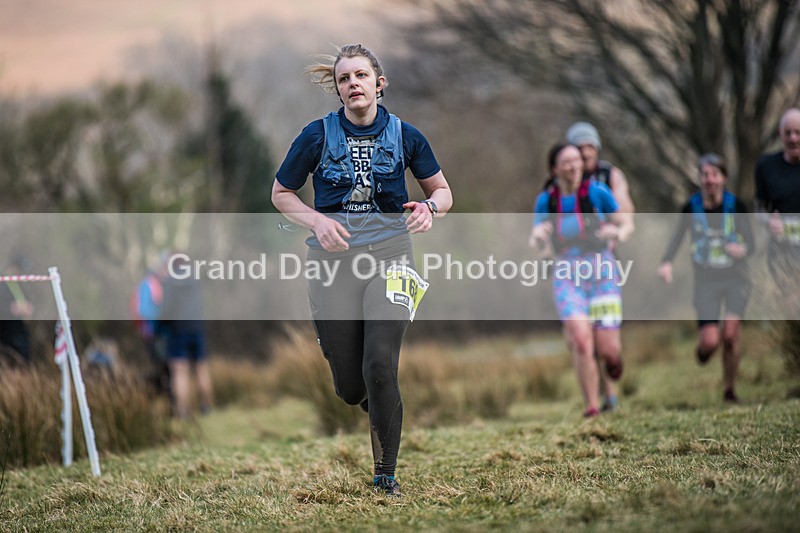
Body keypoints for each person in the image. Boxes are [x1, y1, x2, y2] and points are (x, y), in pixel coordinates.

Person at [271, 44, 452, 497]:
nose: (353, 83)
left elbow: (443, 192)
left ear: (379, 83)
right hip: (332, 264)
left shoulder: (408, 136)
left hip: (392, 255)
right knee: (350, 389)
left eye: (360, 75)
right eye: (344, 78)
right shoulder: (315, 136)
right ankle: (380, 405)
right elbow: (281, 193)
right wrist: (316, 219)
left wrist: (429, 208)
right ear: (338, 90)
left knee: (380, 364)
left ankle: (385, 475)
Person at [530, 143, 632, 418]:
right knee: (581, 340)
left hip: (601, 271)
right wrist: (539, 239)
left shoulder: (598, 192)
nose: (573, 165)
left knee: (608, 350)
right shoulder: (546, 201)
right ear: (555, 169)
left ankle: (613, 360)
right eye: (566, 162)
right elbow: (538, 241)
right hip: (566, 274)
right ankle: (592, 407)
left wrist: (617, 231)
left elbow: (625, 222)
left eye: (576, 160)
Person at [658, 153, 754, 403]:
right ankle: (703, 351)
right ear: (699, 178)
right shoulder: (691, 207)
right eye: (705, 174)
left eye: (714, 174)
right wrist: (666, 262)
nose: (709, 179)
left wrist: (742, 249)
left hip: (736, 277)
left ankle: (729, 390)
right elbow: (677, 236)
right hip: (706, 281)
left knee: (731, 336)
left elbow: (752, 243)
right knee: (711, 342)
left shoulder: (736, 206)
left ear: (723, 178)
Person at [566, 121, 635, 412]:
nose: (585, 153)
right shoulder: (562, 176)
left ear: (596, 147)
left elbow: (625, 212)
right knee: (581, 337)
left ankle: (612, 392)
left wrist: (616, 231)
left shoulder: (610, 176)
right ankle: (595, 400)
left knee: (605, 337)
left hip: (604, 261)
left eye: (589, 146)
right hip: (571, 265)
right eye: (579, 148)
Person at [159, 252, 213, 419]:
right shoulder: (194, 280)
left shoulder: (169, 282)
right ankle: (206, 407)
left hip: (178, 329)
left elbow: (166, 310)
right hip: (197, 328)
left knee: (179, 372)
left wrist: (160, 326)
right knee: (201, 368)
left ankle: (182, 411)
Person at [754, 108, 800, 291]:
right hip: (782, 251)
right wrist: (768, 221)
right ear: (780, 135)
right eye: (787, 133)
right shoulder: (766, 166)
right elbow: (760, 207)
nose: (793, 138)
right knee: (790, 305)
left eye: (798, 132)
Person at [0, 255, 34, 367]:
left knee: (24, 358)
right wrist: (11, 308)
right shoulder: (3, 281)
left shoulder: (18, 284)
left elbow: (27, 302)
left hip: (18, 328)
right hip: (7, 330)